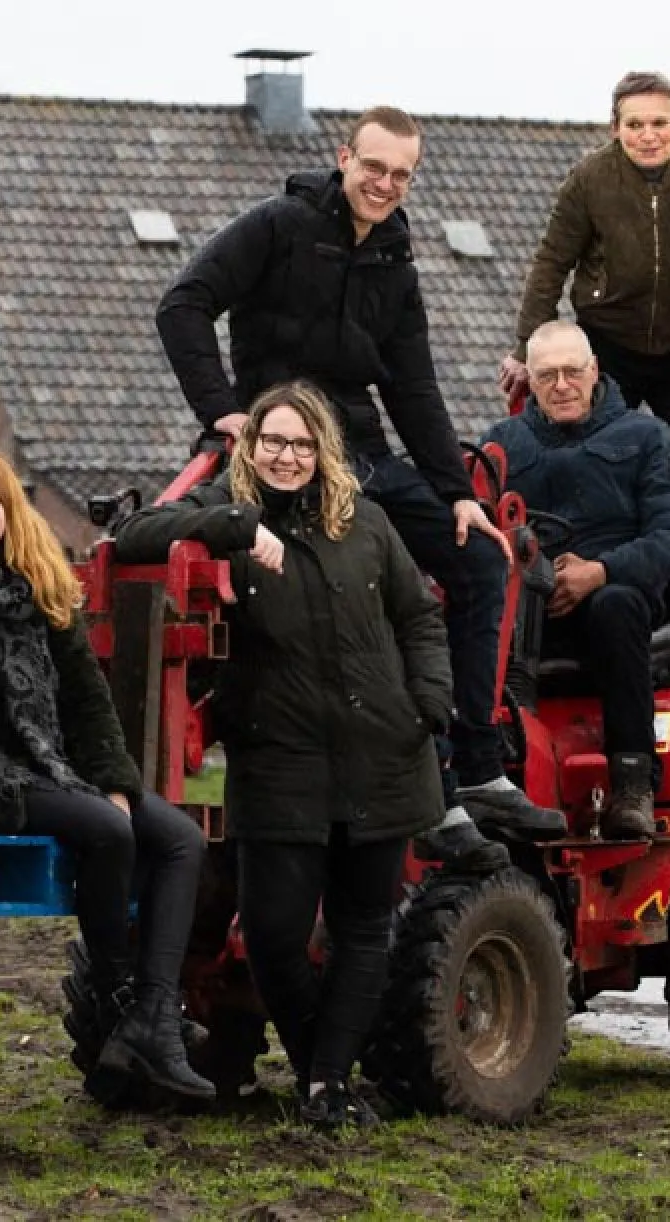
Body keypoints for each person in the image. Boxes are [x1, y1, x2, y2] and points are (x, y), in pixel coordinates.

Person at [156, 104, 564, 876]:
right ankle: (430, 798)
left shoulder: (394, 262)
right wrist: (224, 414)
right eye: (373, 167)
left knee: (479, 560)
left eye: (401, 175)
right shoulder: (277, 226)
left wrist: (458, 493)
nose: (384, 184)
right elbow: (182, 305)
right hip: (284, 445)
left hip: (361, 448)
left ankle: (477, 764)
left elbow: (414, 386)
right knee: (376, 584)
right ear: (345, 158)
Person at [113, 381, 450, 1131]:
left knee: (366, 927)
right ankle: (317, 1070)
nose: (288, 457)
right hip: (280, 761)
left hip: (383, 753)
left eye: (302, 444)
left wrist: (428, 702)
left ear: (323, 449)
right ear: (250, 448)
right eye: (274, 443)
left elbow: (419, 616)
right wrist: (233, 524)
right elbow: (134, 534)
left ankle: (328, 1084)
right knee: (272, 933)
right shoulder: (223, 520)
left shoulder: (366, 525)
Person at [0, 440, 214, 1101]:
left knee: (181, 839)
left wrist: (119, 781)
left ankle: (152, 1016)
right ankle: (124, 1008)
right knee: (108, 832)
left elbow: (86, 697)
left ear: (9, 507)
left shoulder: (37, 584)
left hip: (48, 763)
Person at [504, 70, 670, 595]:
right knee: (592, 472)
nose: (647, 136)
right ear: (615, 128)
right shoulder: (590, 179)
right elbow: (551, 263)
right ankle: (578, 590)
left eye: (658, 123)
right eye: (634, 124)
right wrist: (523, 349)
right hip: (607, 350)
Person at [484, 323, 670, 840]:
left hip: (617, 609)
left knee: (616, 606)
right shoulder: (502, 444)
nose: (562, 385)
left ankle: (632, 784)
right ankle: (480, 774)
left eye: (572, 372)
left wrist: (599, 573)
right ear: (530, 383)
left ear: (594, 372)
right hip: (528, 610)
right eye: (547, 376)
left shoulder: (646, 436)